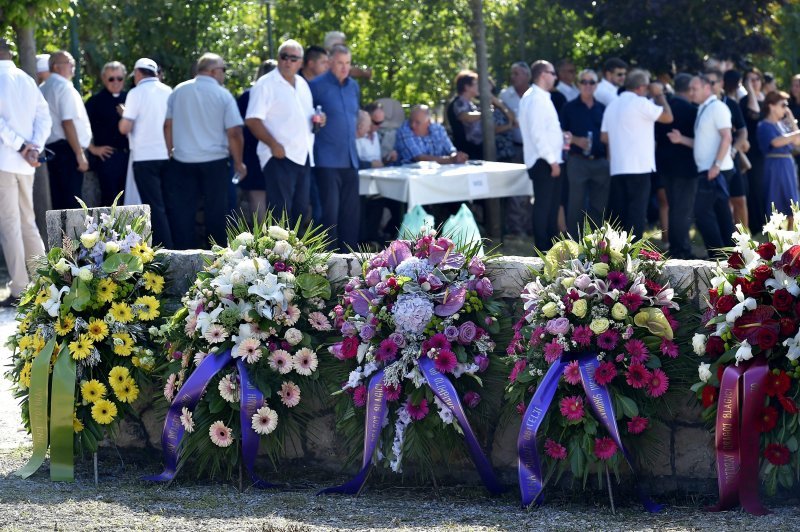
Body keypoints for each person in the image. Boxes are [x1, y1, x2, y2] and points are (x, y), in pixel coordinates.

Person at [163, 52, 246, 249]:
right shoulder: (223, 94)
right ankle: (218, 259)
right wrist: (238, 162)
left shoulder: (178, 91)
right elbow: (234, 132)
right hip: (215, 162)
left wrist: (169, 152)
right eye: (223, 70)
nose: (224, 74)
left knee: (183, 214)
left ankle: (182, 258)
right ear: (214, 71)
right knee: (217, 213)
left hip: (182, 161)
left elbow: (167, 125)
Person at [0, 39, 51, 306]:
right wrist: (34, 147)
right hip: (25, 162)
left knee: (10, 225)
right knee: (27, 222)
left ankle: (20, 287)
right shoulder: (25, 78)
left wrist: (22, 146)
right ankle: (44, 280)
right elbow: (44, 117)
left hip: (5, 160)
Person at [246, 40, 315, 226]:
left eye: (294, 58)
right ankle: (278, 255)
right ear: (278, 59)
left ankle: (296, 255)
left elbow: (305, 117)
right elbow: (252, 120)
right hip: (278, 156)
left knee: (300, 210)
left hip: (302, 155)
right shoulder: (265, 84)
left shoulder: (302, 83)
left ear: (300, 62)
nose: (288, 61)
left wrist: (319, 119)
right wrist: (273, 144)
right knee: (280, 212)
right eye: (284, 56)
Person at [667, 74, 735, 258]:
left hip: (714, 170)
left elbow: (727, 137)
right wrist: (681, 139)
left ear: (707, 88)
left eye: (694, 89)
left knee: (702, 211)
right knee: (721, 213)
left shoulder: (717, 107)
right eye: (690, 89)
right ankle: (731, 254)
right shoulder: (703, 108)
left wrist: (717, 165)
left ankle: (718, 255)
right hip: (709, 169)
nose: (691, 92)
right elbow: (701, 142)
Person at [601, 69, 673, 239]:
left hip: (618, 167)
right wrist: (659, 94)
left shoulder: (612, 104)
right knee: (636, 213)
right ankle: (633, 254)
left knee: (619, 214)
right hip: (639, 167)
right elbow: (668, 117)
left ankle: (615, 254)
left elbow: (604, 136)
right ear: (642, 87)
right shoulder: (640, 103)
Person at [118, 57, 174, 248]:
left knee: (154, 206)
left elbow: (125, 128)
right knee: (169, 203)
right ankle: (177, 243)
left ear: (139, 74)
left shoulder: (136, 93)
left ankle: (165, 248)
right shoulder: (169, 91)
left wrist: (122, 115)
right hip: (168, 155)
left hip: (144, 157)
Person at [310, 44, 360, 250]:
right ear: (330, 62)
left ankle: (351, 261)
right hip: (326, 159)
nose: (344, 67)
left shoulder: (353, 86)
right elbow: (308, 118)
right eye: (340, 63)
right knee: (328, 215)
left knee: (350, 214)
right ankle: (327, 264)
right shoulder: (316, 85)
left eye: (347, 63)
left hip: (350, 158)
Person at [519, 60, 565, 251]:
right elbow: (537, 134)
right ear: (543, 74)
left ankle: (551, 249)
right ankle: (544, 248)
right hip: (543, 160)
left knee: (551, 207)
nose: (556, 77)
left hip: (547, 159)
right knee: (544, 207)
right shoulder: (536, 98)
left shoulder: (540, 97)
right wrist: (552, 160)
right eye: (553, 73)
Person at [40, 51, 92, 210]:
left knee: (59, 202)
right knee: (73, 204)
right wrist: (79, 154)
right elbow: (67, 122)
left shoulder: (43, 87)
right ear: (56, 66)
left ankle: (61, 235)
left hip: (53, 150)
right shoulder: (63, 87)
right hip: (68, 150)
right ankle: (73, 235)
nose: (73, 66)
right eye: (69, 63)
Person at [559, 68, 609, 234]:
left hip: (600, 162)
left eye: (591, 82)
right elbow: (559, 134)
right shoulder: (569, 107)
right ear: (578, 84)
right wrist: (575, 140)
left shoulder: (603, 108)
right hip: (577, 161)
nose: (587, 85)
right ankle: (575, 244)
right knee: (576, 205)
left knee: (598, 206)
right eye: (584, 82)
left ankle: (595, 246)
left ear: (596, 85)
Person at [655, 73, 698, 259]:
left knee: (674, 208)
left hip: (664, 165)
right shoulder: (692, 110)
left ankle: (675, 247)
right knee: (682, 210)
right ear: (689, 89)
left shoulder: (665, 108)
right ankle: (681, 250)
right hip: (686, 167)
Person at [706, 68, 748, 227]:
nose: (709, 86)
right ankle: (724, 240)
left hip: (731, 158)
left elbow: (743, 132)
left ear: (721, 83)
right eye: (706, 83)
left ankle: (743, 242)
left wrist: (733, 149)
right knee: (719, 202)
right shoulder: (701, 105)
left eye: (712, 82)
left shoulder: (730, 104)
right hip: (710, 160)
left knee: (739, 199)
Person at [84, 60, 129, 206]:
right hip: (108, 158)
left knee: (131, 202)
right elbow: (80, 127)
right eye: (111, 78)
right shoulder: (94, 102)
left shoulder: (131, 98)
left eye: (119, 78)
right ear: (104, 78)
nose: (115, 82)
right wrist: (92, 148)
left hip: (131, 156)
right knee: (110, 202)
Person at [237, 60, 276, 223]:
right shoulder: (249, 95)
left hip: (253, 151)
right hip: (266, 150)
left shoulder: (247, 95)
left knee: (257, 198)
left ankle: (262, 240)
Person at [499, 61, 533, 235]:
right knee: (515, 190)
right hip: (514, 148)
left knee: (530, 189)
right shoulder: (505, 95)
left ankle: (529, 225)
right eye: (512, 73)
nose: (513, 77)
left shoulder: (536, 94)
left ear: (527, 76)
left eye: (517, 73)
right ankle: (515, 228)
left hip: (534, 149)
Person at [758, 91, 800, 226]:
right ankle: (774, 236)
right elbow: (776, 142)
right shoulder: (764, 125)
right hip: (774, 165)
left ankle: (790, 237)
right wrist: (796, 133)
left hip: (787, 164)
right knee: (774, 200)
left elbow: (797, 141)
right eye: (783, 105)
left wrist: (791, 118)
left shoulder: (782, 125)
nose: (785, 108)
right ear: (772, 106)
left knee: (792, 201)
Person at [395, 105, 467, 164]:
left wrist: (457, 156)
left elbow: (450, 150)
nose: (412, 125)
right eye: (411, 121)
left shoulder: (438, 129)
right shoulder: (404, 130)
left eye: (417, 122)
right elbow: (419, 158)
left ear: (428, 122)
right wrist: (450, 160)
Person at [741, 67, 766, 233]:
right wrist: (750, 90)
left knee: (765, 186)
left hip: (766, 149)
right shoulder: (744, 101)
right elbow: (755, 113)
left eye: (756, 79)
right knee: (754, 187)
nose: (754, 82)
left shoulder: (767, 98)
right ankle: (756, 225)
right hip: (752, 150)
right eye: (750, 79)